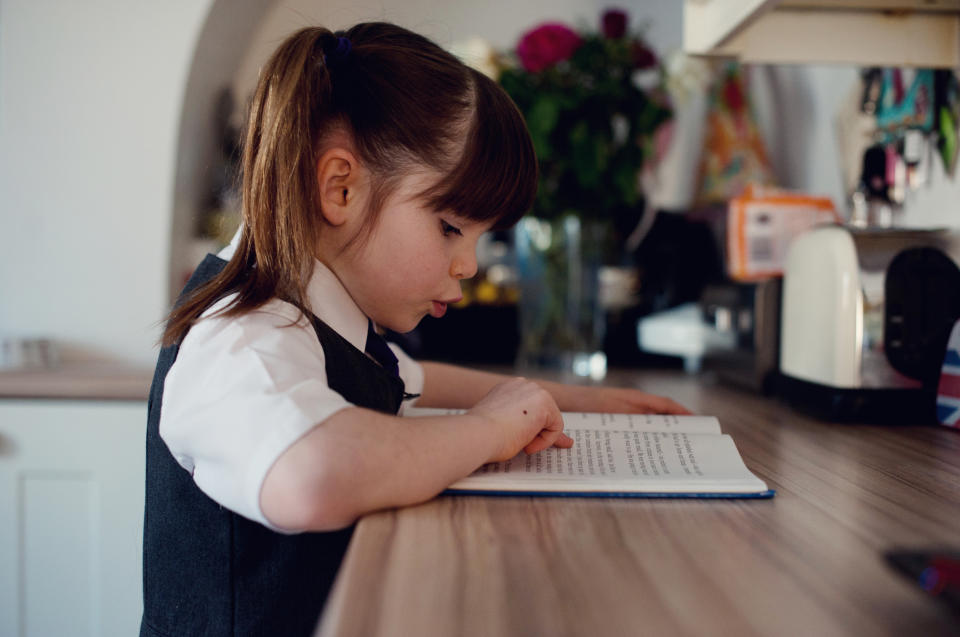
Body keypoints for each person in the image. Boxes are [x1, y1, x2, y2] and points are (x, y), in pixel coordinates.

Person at [140, 22, 689, 637]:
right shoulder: (244, 336)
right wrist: (487, 431)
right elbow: (311, 475)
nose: (470, 265)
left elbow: (412, 380)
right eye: (451, 228)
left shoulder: (319, 316)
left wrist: (578, 400)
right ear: (340, 189)